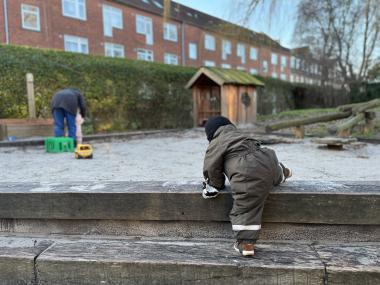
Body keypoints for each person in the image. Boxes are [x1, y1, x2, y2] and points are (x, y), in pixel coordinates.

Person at [202, 116, 292, 257]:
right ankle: (283, 172)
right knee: (272, 172)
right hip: (267, 157)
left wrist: (215, 184)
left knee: (247, 205)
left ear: (210, 134)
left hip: (246, 169)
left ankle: (245, 243)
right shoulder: (240, 135)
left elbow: (211, 167)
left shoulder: (216, 142)